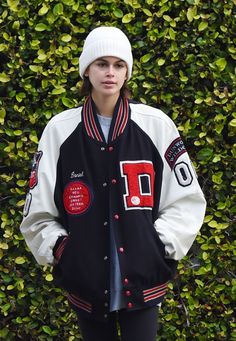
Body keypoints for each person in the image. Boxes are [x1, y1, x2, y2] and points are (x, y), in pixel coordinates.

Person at [20, 26, 206, 341]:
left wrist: (157, 245)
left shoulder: (155, 125)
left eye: (119, 65)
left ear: (127, 72)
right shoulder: (59, 130)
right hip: (86, 282)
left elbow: (186, 200)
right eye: (101, 63)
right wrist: (63, 250)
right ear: (86, 71)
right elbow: (37, 210)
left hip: (144, 280)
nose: (110, 72)